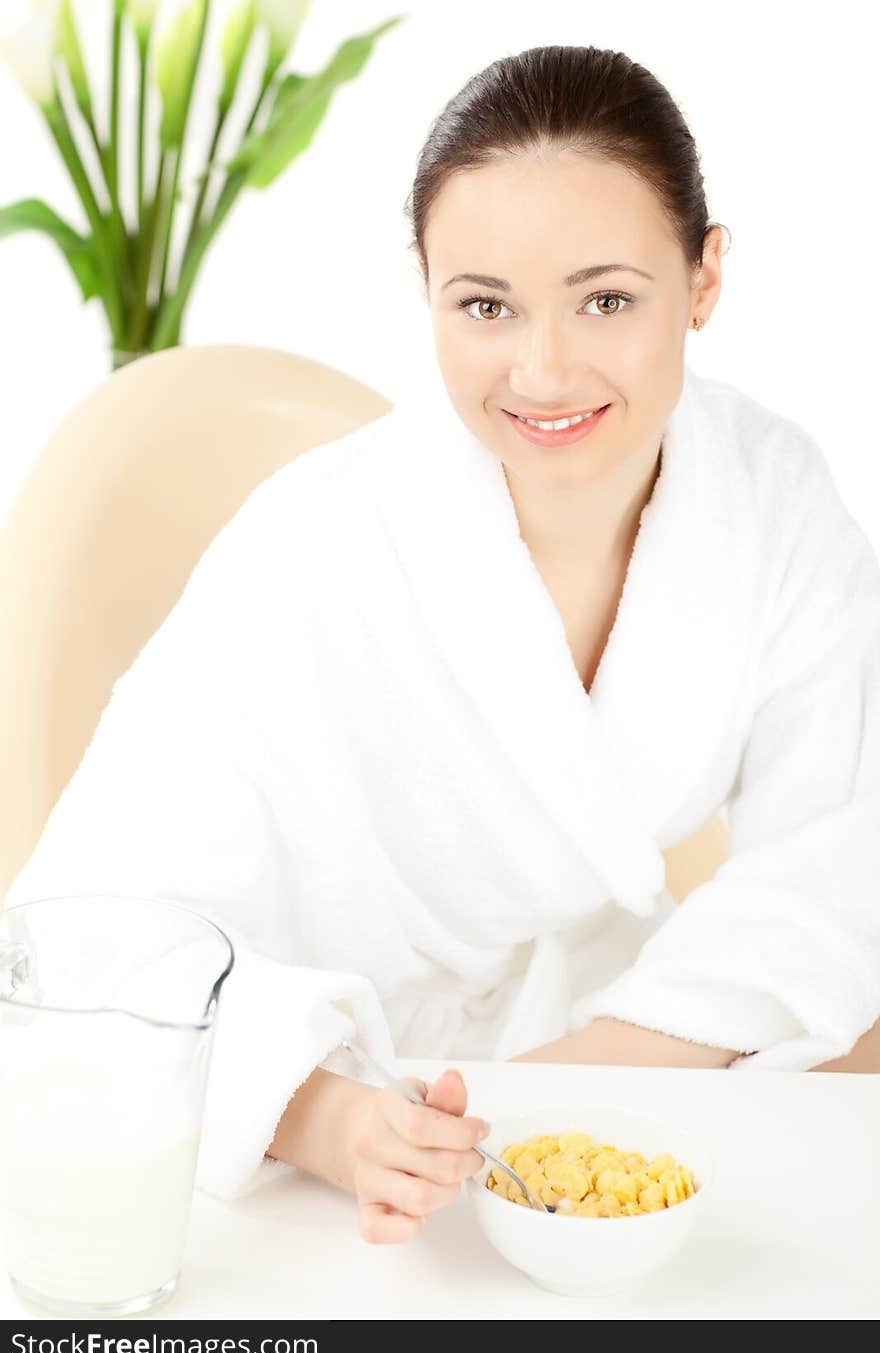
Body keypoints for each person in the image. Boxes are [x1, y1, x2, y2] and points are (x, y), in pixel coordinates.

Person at [5, 45, 880, 1247]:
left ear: (705, 275)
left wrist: (576, 1086)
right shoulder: (316, 541)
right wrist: (317, 1110)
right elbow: (80, 932)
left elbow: (841, 860)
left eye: (607, 299)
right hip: (329, 1104)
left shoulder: (773, 499)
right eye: (484, 305)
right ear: (424, 286)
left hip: (596, 1039)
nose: (543, 368)